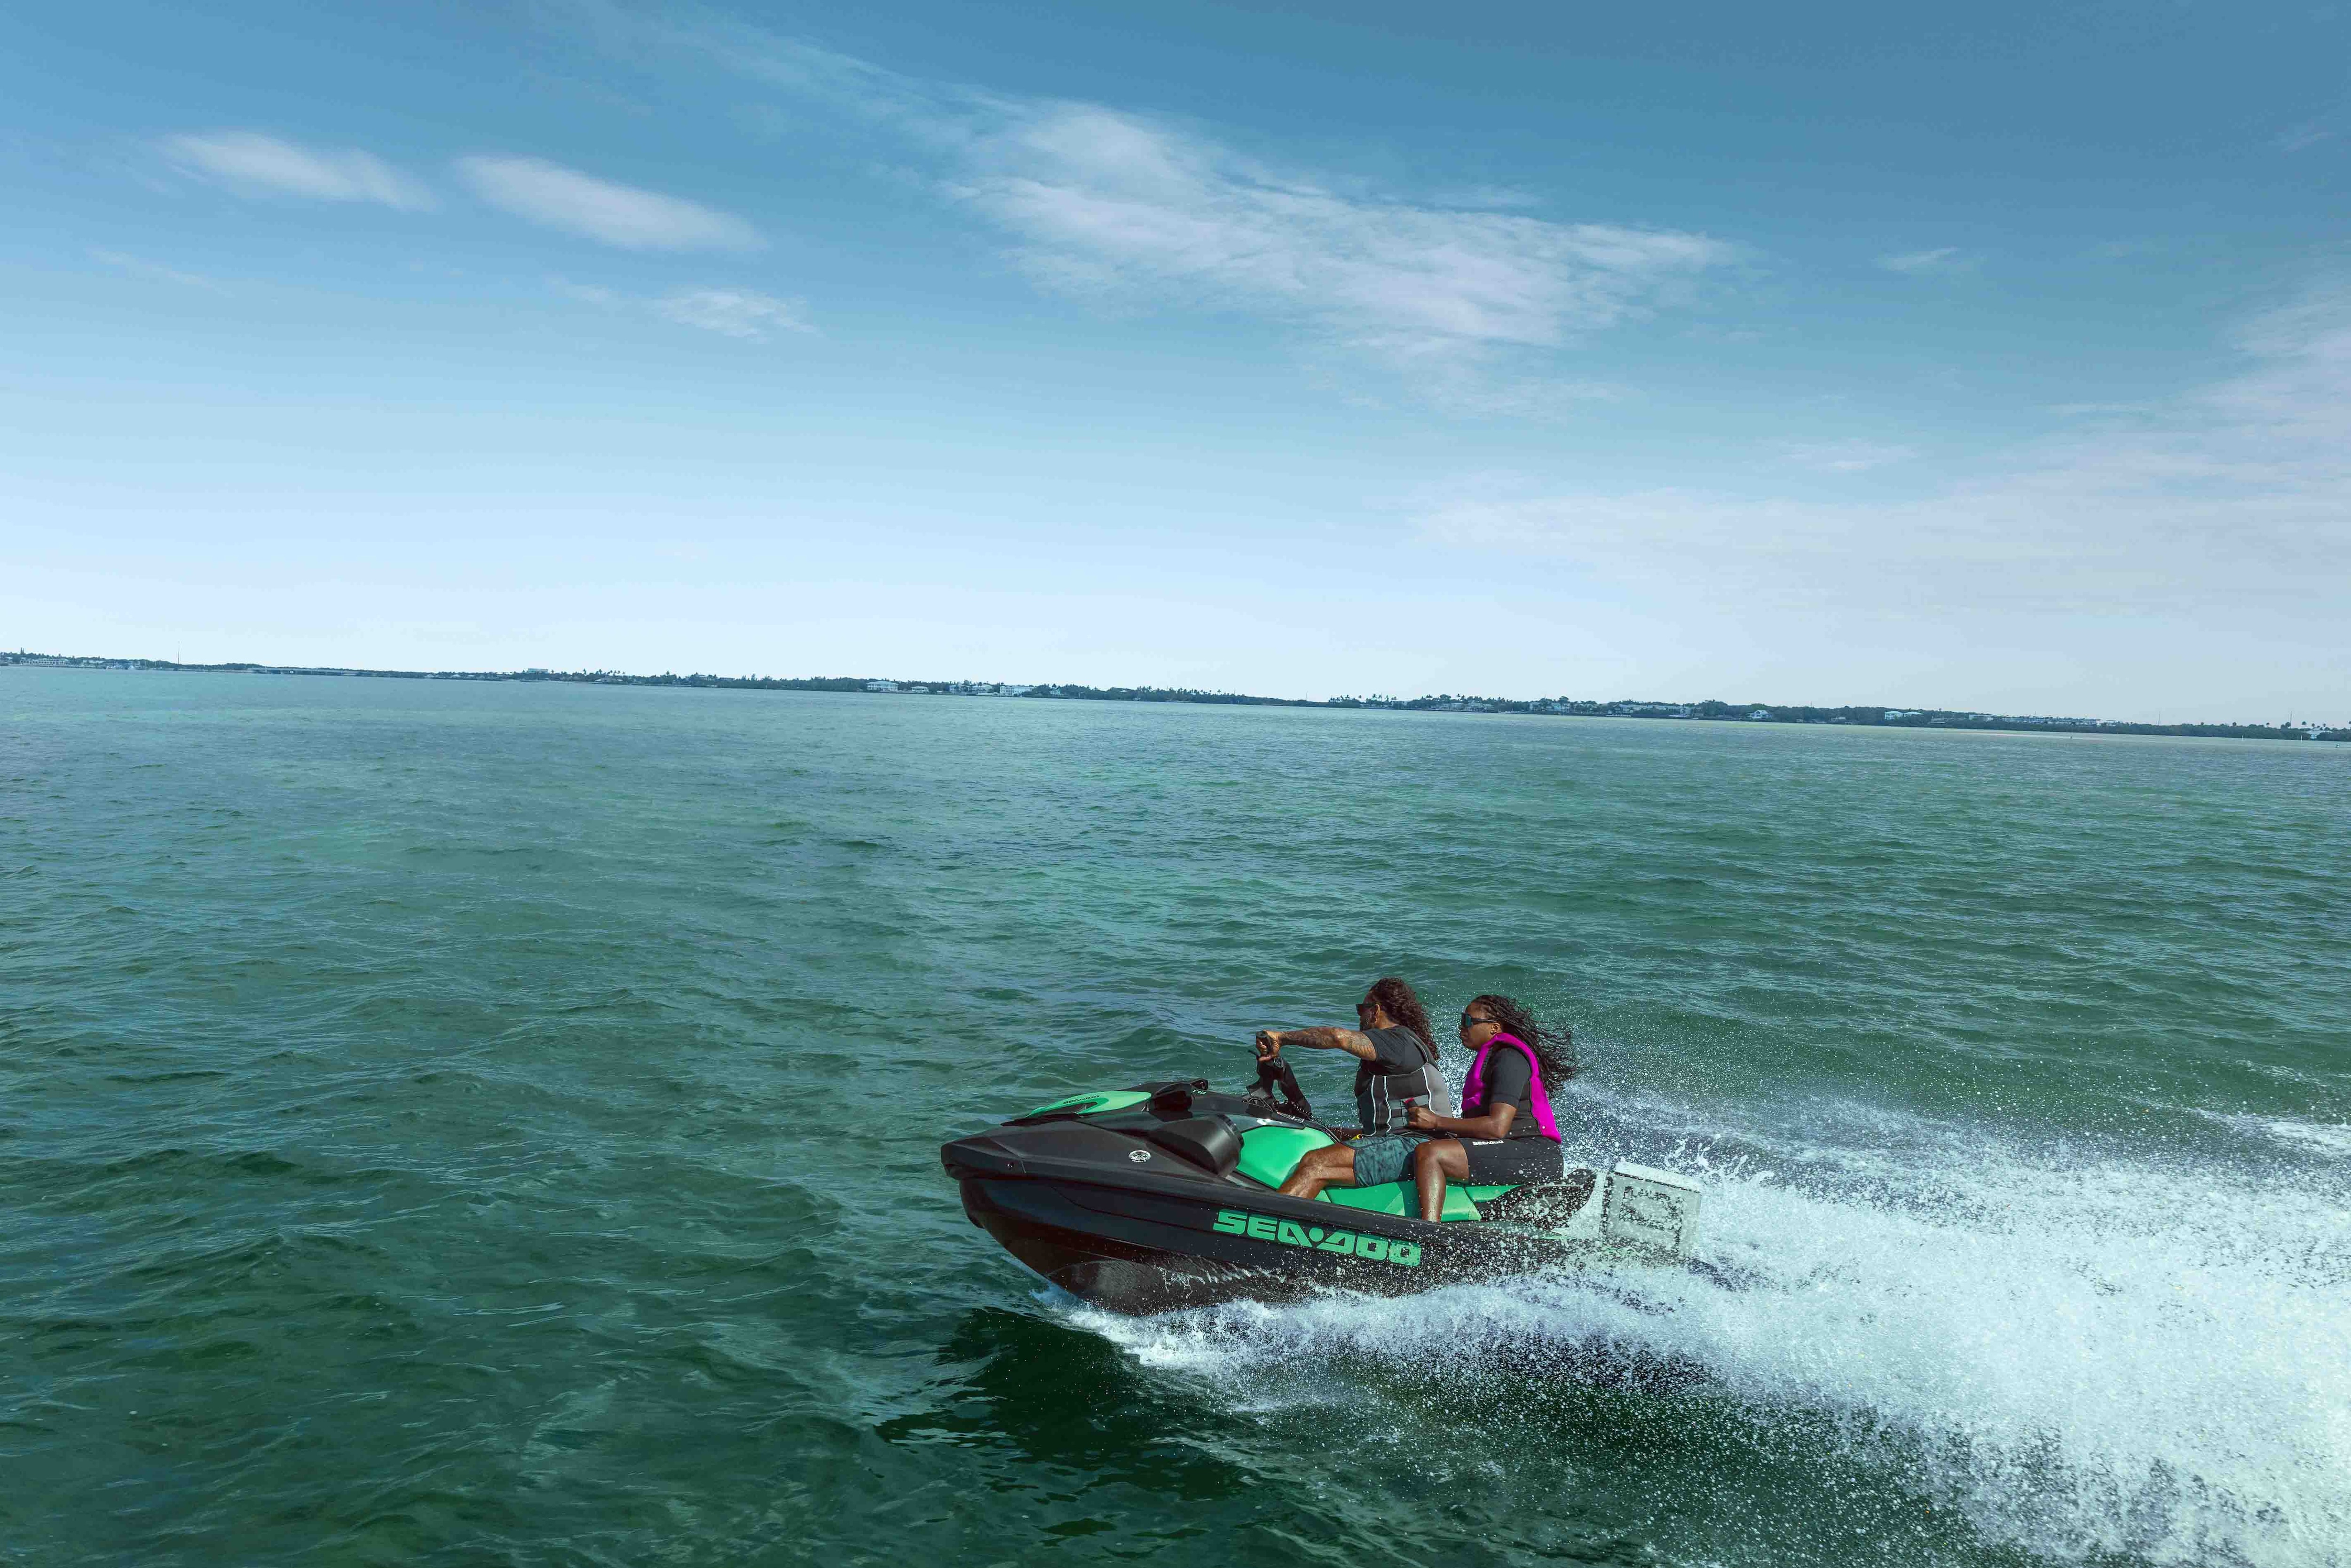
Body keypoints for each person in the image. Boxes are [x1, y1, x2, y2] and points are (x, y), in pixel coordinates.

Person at [1251, 977, 1452, 1201]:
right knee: (1321, 1139)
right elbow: (1389, 1125)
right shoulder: (1396, 1047)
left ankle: (1274, 1222)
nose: (1359, 1016)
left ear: (1375, 1012)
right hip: (1404, 1143)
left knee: (1317, 1163)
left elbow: (1337, 1038)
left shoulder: (1396, 1040)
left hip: (1416, 1147)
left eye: (1361, 1009)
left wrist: (1283, 1038)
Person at [1402, 994, 1574, 1221]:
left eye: (1469, 1021)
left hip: (1534, 1154)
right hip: (1513, 1148)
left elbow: (1497, 1128)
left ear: (1494, 1028)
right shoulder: (1493, 1058)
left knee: (1432, 1154)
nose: (1462, 1027)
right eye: (1462, 1021)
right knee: (1428, 1144)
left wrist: (1436, 1121)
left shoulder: (1509, 1059)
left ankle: (1427, 1233)